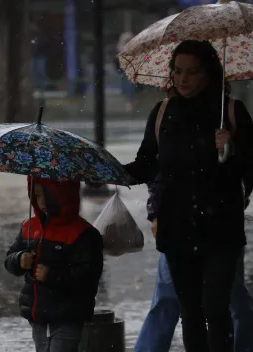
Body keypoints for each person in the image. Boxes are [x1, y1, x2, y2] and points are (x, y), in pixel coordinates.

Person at [123, 40, 253, 352]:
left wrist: (231, 151)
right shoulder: (163, 113)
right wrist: (108, 172)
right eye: (178, 71)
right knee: (190, 312)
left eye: (192, 72)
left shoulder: (231, 112)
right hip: (177, 226)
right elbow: (146, 164)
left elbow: (250, 168)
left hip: (221, 228)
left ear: (208, 74)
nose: (183, 79)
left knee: (215, 306)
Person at [134, 176, 253, 352]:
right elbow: (155, 165)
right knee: (171, 297)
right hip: (180, 222)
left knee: (227, 300)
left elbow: (246, 163)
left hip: (222, 223)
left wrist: (239, 192)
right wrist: (156, 211)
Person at [4, 177, 104, 352]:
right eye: (35, 196)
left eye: (46, 196)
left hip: (68, 314)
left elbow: (88, 277)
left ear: (62, 195)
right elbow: (9, 260)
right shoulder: (29, 226)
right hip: (38, 312)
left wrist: (52, 276)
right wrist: (19, 259)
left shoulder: (83, 234)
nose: (40, 202)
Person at [116, 32, 136, 113]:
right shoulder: (121, 48)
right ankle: (128, 101)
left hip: (130, 70)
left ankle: (129, 101)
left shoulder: (134, 48)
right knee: (126, 84)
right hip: (123, 70)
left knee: (129, 84)